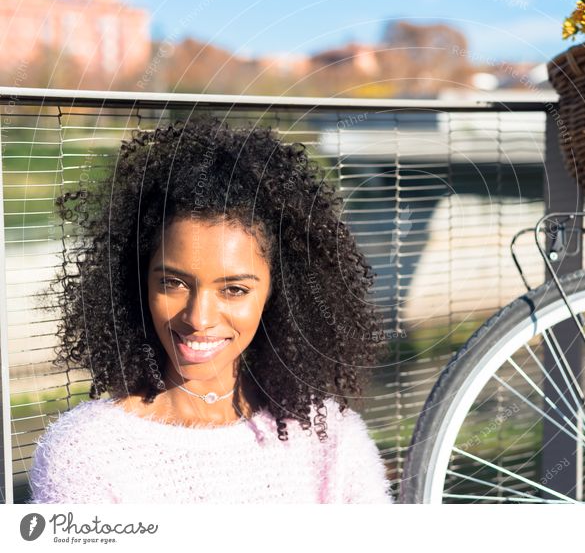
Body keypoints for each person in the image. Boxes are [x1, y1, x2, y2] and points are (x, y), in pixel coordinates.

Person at [28, 116, 393, 504]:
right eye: (172, 283)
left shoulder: (329, 438)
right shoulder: (86, 452)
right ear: (137, 281)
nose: (198, 319)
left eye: (234, 289)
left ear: (279, 292)